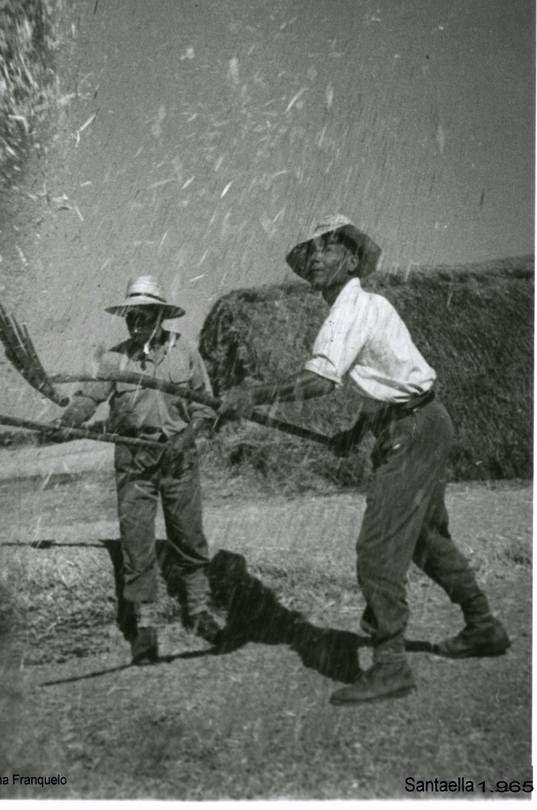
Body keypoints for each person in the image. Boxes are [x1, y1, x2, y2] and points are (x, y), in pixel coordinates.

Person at [217, 213, 510, 706]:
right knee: (426, 540)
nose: (315, 257)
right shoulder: (365, 306)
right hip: (421, 421)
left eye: (328, 247)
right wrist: (354, 433)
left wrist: (253, 395)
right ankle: (483, 625)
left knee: (378, 548)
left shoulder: (350, 309)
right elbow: (388, 383)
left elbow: (319, 381)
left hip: (412, 429)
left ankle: (390, 665)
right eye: (310, 251)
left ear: (352, 260)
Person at [59, 275, 221, 665]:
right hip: (134, 459)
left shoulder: (185, 352)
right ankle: (146, 625)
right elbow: (87, 399)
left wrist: (188, 436)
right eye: (130, 317)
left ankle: (198, 610)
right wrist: (69, 419)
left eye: (143, 317)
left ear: (161, 317)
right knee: (137, 543)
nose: (135, 324)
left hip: (179, 456)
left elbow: (205, 406)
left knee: (188, 536)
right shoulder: (113, 360)